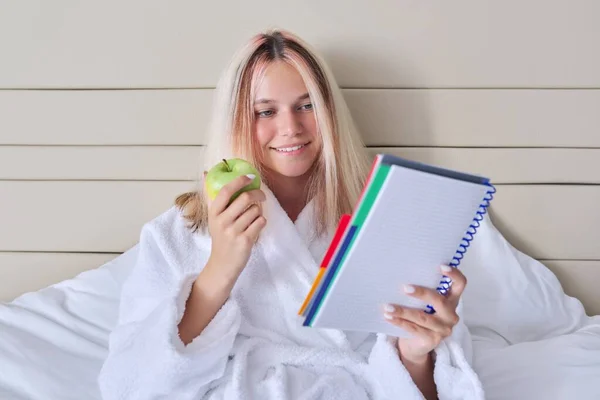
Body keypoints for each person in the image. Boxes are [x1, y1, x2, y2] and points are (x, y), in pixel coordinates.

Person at [98, 29, 484, 400]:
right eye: (265, 111)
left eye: (307, 106)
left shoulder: (386, 223)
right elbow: (131, 387)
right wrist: (220, 268)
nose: (291, 129)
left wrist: (415, 354)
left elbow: (420, 388)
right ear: (234, 120)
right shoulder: (177, 235)